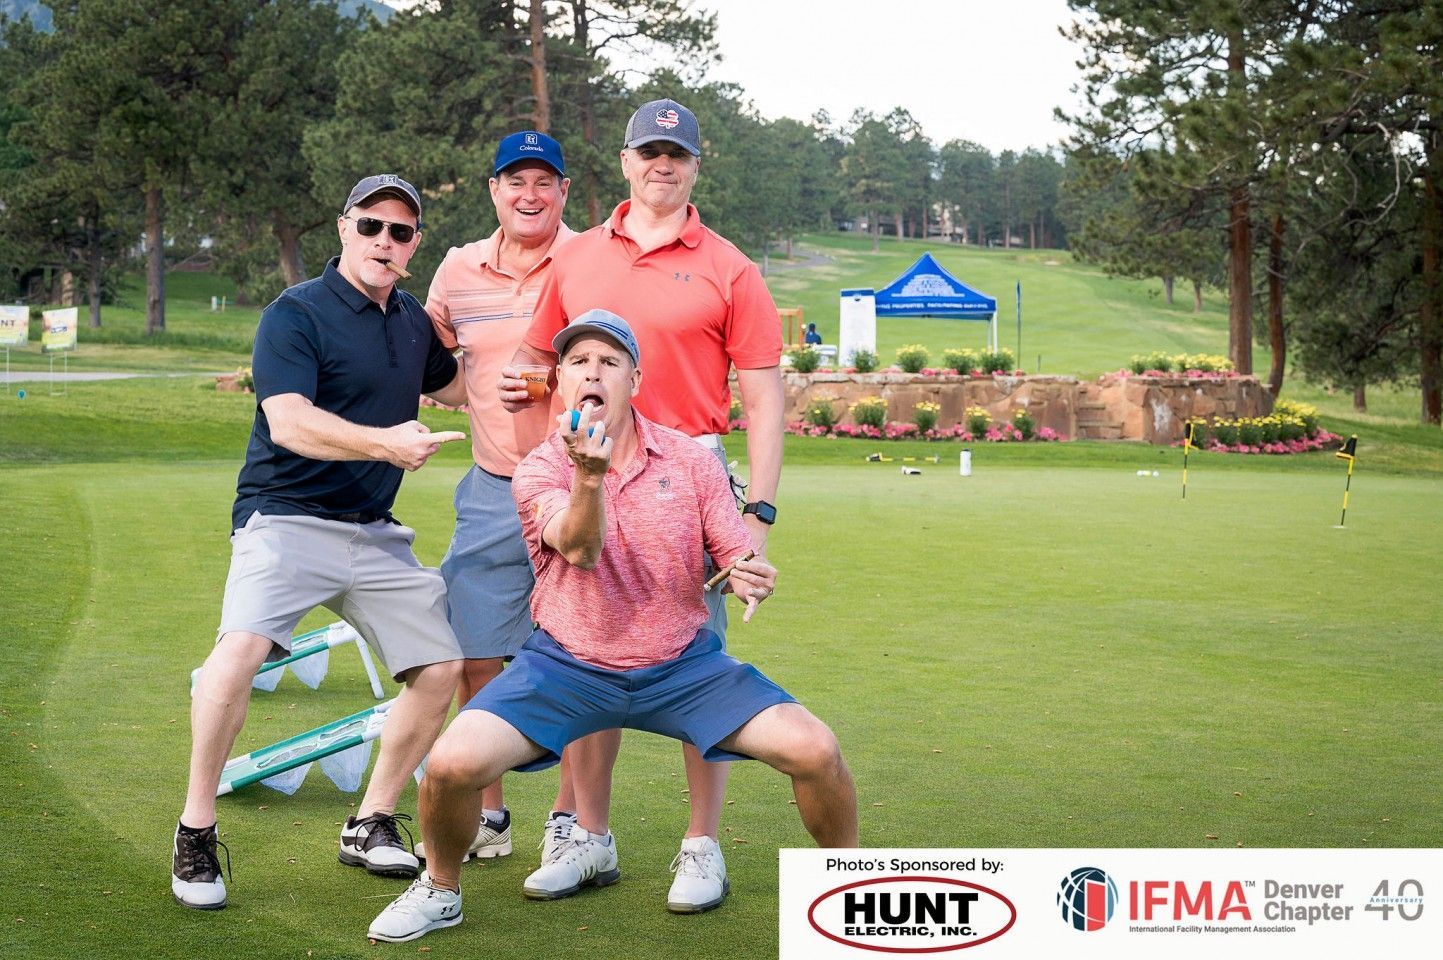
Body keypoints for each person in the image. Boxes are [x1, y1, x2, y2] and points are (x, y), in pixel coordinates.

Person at [367, 310, 857, 944]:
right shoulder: (540, 468)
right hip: (566, 666)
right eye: (577, 362)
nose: (592, 371)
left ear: (636, 379)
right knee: (451, 765)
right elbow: (577, 548)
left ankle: (851, 890)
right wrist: (589, 480)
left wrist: (746, 572)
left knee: (816, 750)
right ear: (563, 383)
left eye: (609, 361)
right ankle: (440, 888)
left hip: (684, 666)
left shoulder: (690, 461)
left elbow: (735, 549)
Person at [502, 97, 786, 913]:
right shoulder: (579, 254)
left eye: (678, 155)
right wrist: (531, 416)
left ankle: (702, 847)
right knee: (588, 653)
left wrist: (758, 511)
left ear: (695, 167)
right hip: (589, 465)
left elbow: (763, 398)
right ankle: (588, 837)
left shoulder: (731, 267)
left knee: (700, 661)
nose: (663, 165)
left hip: (687, 471)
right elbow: (534, 358)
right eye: (649, 152)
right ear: (625, 162)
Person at [171, 175, 469, 910]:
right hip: (285, 517)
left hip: (374, 534)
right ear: (343, 229)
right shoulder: (294, 313)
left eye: (401, 233)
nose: (384, 242)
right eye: (371, 226)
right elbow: (289, 424)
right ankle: (195, 828)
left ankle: (369, 819)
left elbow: (458, 385)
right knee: (235, 654)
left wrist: (496, 343)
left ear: (414, 246)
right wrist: (385, 446)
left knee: (440, 670)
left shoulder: (411, 322)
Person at [416, 130, 574, 863]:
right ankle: (492, 814)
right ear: (493, 190)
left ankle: (572, 819)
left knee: (583, 654)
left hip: (581, 485)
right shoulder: (455, 270)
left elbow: (622, 363)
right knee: (475, 651)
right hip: (492, 487)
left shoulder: (589, 260)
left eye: (544, 181)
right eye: (516, 180)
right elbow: (425, 355)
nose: (529, 194)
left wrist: (547, 382)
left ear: (563, 193)